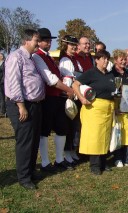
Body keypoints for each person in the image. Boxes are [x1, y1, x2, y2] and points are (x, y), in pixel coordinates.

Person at [5, 29, 45, 190]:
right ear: (26, 41)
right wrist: (21, 105)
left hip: (35, 105)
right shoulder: (16, 57)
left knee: (34, 140)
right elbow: (14, 82)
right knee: (25, 142)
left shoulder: (32, 58)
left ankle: (30, 170)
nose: (38, 43)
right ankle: (23, 177)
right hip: (22, 105)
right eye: (36, 40)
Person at [33, 28, 75, 173]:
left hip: (58, 97)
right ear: (39, 41)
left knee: (62, 128)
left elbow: (57, 75)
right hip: (48, 98)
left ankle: (59, 159)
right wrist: (68, 89)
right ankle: (45, 162)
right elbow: (51, 80)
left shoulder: (48, 56)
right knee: (44, 131)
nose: (49, 43)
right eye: (46, 40)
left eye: (50, 40)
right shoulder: (37, 56)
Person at [72, 50, 115, 175]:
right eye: (103, 59)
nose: (106, 61)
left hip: (107, 108)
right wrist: (81, 98)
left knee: (105, 135)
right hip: (94, 109)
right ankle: (94, 165)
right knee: (95, 137)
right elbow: (75, 85)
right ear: (96, 60)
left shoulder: (110, 75)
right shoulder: (91, 73)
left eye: (107, 59)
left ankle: (103, 162)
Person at [59, 35, 82, 167]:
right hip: (69, 95)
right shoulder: (65, 60)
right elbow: (67, 79)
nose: (73, 47)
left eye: (74, 44)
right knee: (68, 125)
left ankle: (72, 150)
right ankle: (66, 153)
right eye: (71, 44)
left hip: (76, 95)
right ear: (65, 45)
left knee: (75, 125)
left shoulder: (74, 60)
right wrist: (70, 92)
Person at [0, 53, 5, 117]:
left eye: (1, 56)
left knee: (2, 97)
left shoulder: (4, 63)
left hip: (2, 83)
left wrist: (2, 81)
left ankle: (3, 111)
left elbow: (5, 74)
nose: (1, 57)